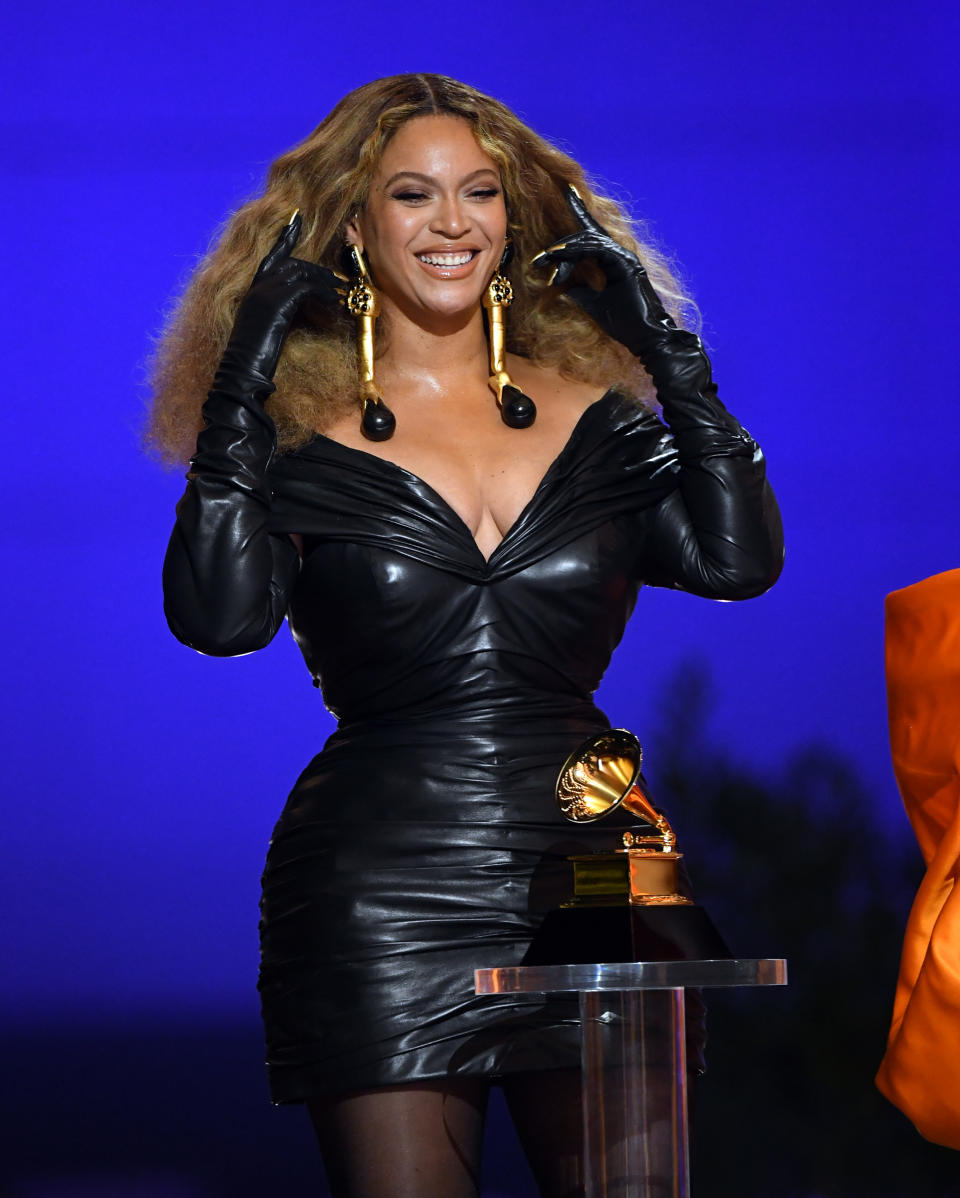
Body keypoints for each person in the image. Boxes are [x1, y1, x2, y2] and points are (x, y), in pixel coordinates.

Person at [150, 73, 783, 1198]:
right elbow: (218, 616)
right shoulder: (300, 436)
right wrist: (245, 376)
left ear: (512, 217)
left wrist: (668, 356)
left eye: (479, 192)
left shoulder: (596, 418)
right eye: (413, 194)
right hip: (382, 893)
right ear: (352, 228)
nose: (453, 222)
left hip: (586, 876)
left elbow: (738, 561)